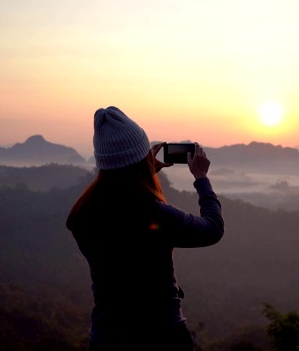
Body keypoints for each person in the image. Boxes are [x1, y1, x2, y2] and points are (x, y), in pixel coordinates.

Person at [66, 106, 224, 350]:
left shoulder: (83, 214)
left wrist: (142, 169)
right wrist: (202, 179)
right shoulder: (154, 214)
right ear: (142, 158)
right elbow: (212, 228)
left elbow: (117, 195)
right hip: (162, 336)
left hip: (106, 339)